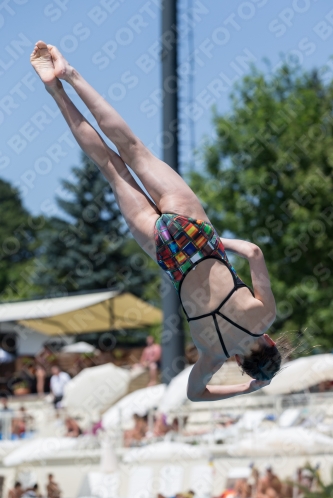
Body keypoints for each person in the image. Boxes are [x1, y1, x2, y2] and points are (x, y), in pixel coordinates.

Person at [30, 41, 281, 402]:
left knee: (132, 148)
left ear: (269, 342)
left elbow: (254, 253)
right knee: (111, 169)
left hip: (197, 233)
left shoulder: (265, 316)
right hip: (167, 253)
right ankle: (54, 89)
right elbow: (196, 394)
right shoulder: (214, 354)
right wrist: (250, 388)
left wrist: (219, 242)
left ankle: (69, 73)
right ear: (241, 362)